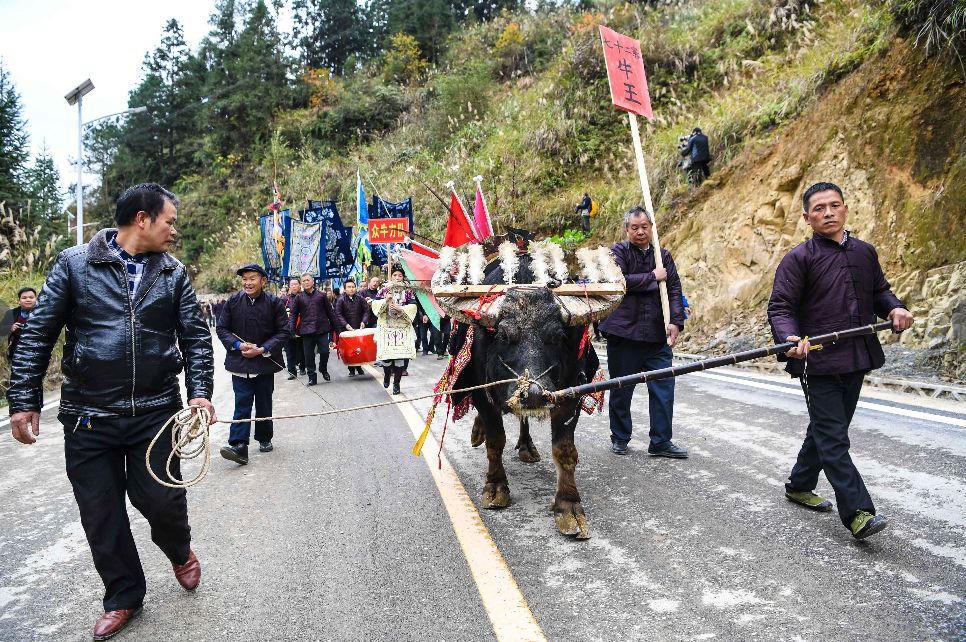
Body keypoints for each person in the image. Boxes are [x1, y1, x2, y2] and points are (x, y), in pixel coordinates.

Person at [6, 183, 214, 640]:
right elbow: (38, 334)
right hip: (87, 415)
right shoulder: (74, 265)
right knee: (101, 512)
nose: (174, 230)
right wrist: (23, 398)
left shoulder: (173, 273)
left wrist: (200, 393)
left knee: (161, 501)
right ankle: (123, 596)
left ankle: (179, 549)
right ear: (142, 219)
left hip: (156, 412)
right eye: (169, 221)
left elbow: (196, 339)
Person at [768, 182, 913, 540]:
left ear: (846, 209)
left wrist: (894, 307)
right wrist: (788, 337)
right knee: (834, 438)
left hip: (857, 357)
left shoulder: (865, 252)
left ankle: (800, 483)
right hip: (817, 362)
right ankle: (859, 512)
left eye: (834, 205)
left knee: (827, 429)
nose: (828, 213)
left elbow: (879, 291)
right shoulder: (799, 258)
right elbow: (781, 307)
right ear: (806, 217)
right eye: (819, 208)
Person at [598, 206, 687, 458]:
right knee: (622, 388)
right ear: (627, 230)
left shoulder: (663, 256)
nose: (640, 232)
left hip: (657, 335)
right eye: (635, 227)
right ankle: (620, 437)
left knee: (663, 389)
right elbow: (619, 282)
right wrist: (651, 277)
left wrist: (676, 321)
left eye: (644, 226)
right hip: (625, 335)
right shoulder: (617, 253)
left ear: (651, 228)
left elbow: (674, 290)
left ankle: (660, 441)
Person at [216, 264, 289, 464]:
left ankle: (265, 437)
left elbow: (284, 331)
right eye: (244, 279)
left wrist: (263, 349)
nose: (247, 283)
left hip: (265, 362)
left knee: (264, 402)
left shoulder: (275, 303)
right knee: (242, 403)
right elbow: (222, 328)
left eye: (252, 279)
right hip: (240, 362)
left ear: (263, 281)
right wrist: (238, 345)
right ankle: (239, 445)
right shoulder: (232, 302)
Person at [373, 268, 416, 395]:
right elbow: (375, 306)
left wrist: (400, 308)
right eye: (395, 275)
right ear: (391, 277)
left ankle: (396, 384)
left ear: (403, 277)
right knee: (387, 359)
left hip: (402, 328)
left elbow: (413, 306)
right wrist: (385, 300)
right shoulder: (384, 290)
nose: (397, 277)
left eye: (400, 275)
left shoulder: (408, 291)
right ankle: (387, 375)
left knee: (399, 359)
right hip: (386, 328)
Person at [290, 273, 336, 385]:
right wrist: (291, 329)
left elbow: (330, 313)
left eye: (307, 280)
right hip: (306, 331)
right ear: (301, 284)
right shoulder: (298, 298)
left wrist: (337, 328)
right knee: (308, 356)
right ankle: (312, 377)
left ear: (313, 282)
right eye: (303, 281)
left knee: (325, 351)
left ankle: (323, 368)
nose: (306, 282)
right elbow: (293, 315)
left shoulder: (322, 295)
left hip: (322, 329)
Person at [333, 280, 373, 377]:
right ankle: (351, 368)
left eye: (353, 287)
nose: (351, 289)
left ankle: (359, 366)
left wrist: (364, 321)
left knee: (359, 347)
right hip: (345, 328)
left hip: (358, 327)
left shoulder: (360, 298)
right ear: (345, 289)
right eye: (349, 287)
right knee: (349, 349)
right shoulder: (340, 299)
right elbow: (338, 314)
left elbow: (366, 311)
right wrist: (345, 325)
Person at [280, 277, 304, 380]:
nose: (294, 286)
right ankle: (292, 372)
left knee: (302, 351)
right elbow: (279, 314)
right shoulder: (285, 299)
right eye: (292, 285)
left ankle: (303, 367)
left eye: (296, 284)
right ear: (289, 287)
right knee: (289, 352)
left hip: (302, 329)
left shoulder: (304, 297)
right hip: (288, 329)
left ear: (299, 285)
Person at [5, 286, 37, 360]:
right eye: (24, 298)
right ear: (19, 301)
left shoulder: (43, 313)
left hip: (37, 350)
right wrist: (10, 328)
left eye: (31, 297)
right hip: (16, 350)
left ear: (36, 299)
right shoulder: (11, 313)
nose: (28, 300)